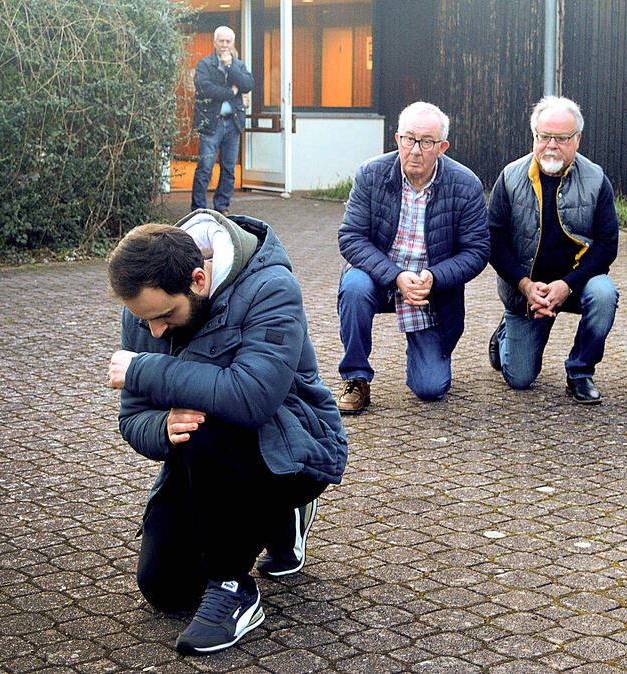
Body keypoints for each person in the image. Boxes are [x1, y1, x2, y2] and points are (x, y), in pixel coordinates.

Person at [106, 210, 348, 655]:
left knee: (211, 418)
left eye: (163, 316)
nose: (153, 330)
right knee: (166, 589)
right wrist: (162, 427)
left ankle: (235, 588)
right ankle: (275, 522)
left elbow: (251, 396)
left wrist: (146, 369)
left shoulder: (270, 287)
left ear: (199, 279)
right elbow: (132, 416)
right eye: (145, 321)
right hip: (205, 459)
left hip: (292, 448)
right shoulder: (144, 312)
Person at [335, 101, 490, 414]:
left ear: (442, 147)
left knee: (430, 389)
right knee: (353, 285)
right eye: (409, 139)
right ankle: (356, 377)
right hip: (382, 278)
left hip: (429, 290)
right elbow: (350, 237)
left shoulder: (466, 184)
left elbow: (477, 250)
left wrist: (435, 277)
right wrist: (395, 276)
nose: (416, 149)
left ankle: (426, 355)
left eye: (427, 142)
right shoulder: (371, 174)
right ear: (397, 139)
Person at [486, 96, 620, 404]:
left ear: (577, 140)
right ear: (534, 136)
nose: (551, 145)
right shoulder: (509, 177)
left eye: (561, 138)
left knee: (604, 293)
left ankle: (580, 372)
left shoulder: (597, 179)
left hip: (576, 283)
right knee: (520, 379)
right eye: (544, 136)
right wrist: (524, 286)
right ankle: (507, 331)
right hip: (526, 289)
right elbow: (494, 241)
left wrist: (566, 285)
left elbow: (607, 245)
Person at [190, 26, 253, 214]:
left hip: (233, 124)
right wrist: (231, 92)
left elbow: (247, 85)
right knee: (205, 168)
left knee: (229, 168)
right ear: (214, 42)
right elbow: (205, 89)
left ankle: (222, 207)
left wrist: (229, 67)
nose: (225, 45)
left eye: (228, 41)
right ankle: (198, 209)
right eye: (221, 41)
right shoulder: (204, 65)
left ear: (233, 43)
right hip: (211, 123)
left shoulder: (238, 65)